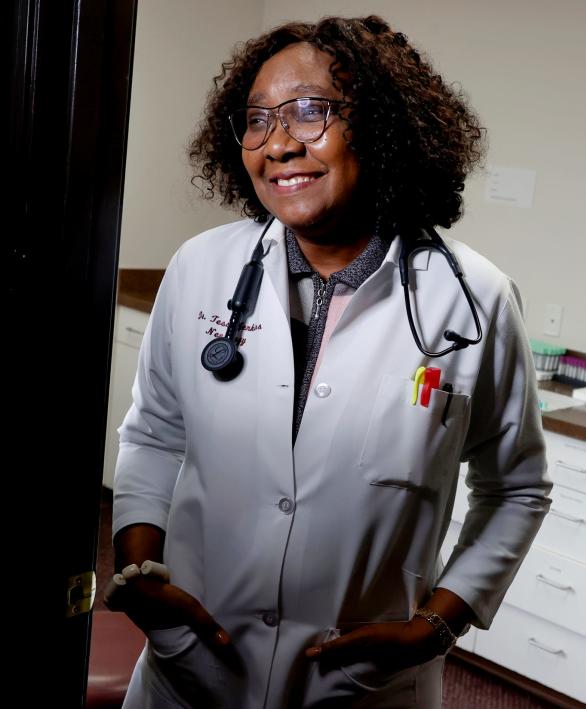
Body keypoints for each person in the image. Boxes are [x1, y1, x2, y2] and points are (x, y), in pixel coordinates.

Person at [106, 14, 552, 708]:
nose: (278, 143)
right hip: (193, 671)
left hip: (362, 688)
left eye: (310, 112)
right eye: (256, 120)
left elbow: (516, 488)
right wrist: (142, 574)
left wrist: (438, 623)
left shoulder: (472, 301)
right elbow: (154, 434)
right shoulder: (201, 268)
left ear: (380, 125)